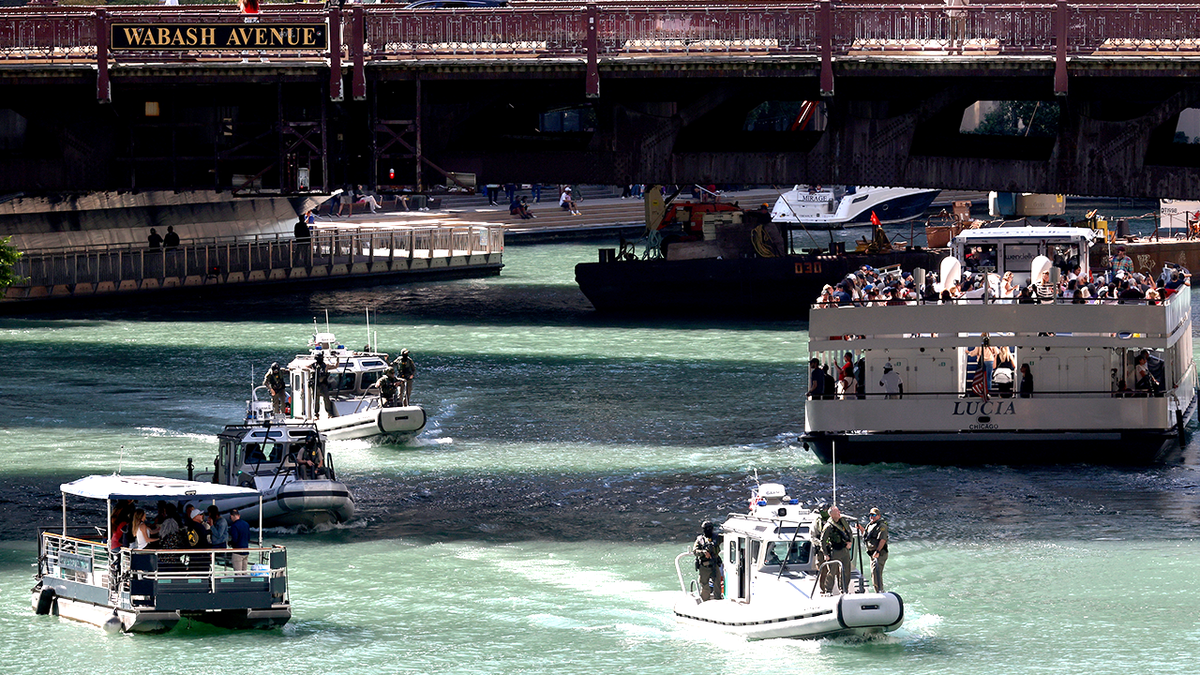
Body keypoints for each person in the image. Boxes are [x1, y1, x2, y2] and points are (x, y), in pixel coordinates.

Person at [820, 506, 854, 594]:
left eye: (839, 511)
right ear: (832, 514)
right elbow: (823, 541)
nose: (839, 513)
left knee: (846, 570)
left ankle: (844, 589)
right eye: (837, 512)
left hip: (845, 550)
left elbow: (850, 532)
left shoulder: (843, 522)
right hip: (835, 550)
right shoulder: (828, 526)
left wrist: (850, 542)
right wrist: (825, 554)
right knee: (832, 571)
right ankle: (828, 590)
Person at [856, 508, 889, 592]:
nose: (871, 517)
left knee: (876, 573)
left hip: (879, 553)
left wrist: (877, 551)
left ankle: (880, 591)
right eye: (870, 515)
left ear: (879, 516)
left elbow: (883, 540)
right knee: (874, 573)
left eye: (874, 515)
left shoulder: (882, 526)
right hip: (872, 554)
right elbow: (866, 536)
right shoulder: (870, 525)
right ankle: (878, 590)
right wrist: (860, 528)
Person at [692, 520, 723, 601]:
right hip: (704, 566)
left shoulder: (717, 537)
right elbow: (695, 551)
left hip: (715, 564)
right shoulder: (700, 540)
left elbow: (728, 538)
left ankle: (718, 600)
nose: (708, 530)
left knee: (717, 584)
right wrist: (703, 552)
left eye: (710, 528)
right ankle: (705, 601)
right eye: (706, 529)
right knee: (705, 586)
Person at [313, 351, 338, 418]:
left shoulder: (326, 366)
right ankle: (316, 414)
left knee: (326, 399)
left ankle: (329, 413)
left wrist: (337, 359)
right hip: (316, 384)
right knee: (316, 399)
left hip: (323, 384)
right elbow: (306, 367)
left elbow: (336, 366)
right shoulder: (314, 365)